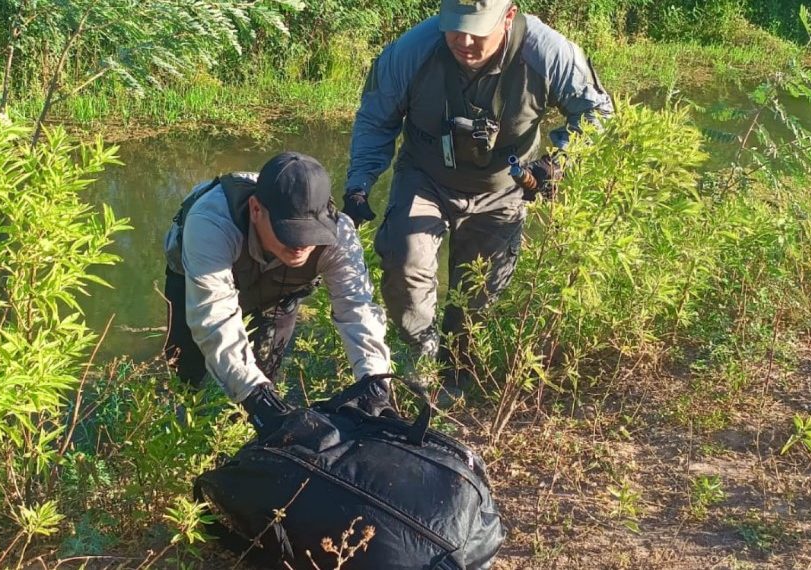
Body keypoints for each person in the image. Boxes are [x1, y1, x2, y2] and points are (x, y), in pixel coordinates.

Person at [340, 0, 615, 392]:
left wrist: (556, 164)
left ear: (508, 16)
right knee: (404, 263)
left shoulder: (547, 51)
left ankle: (459, 371)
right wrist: (359, 183)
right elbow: (375, 119)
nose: (463, 40)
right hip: (425, 176)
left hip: (503, 188)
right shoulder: (412, 51)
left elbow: (597, 113)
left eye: (477, 30)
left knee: (478, 297)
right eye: (453, 27)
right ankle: (423, 354)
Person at [163, 152, 395, 436]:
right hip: (197, 272)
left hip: (281, 288)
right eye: (291, 231)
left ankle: (243, 437)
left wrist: (374, 380)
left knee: (265, 370)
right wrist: (252, 392)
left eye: (313, 232)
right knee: (186, 365)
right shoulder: (211, 223)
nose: (302, 244)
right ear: (256, 209)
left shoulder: (340, 235)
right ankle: (181, 429)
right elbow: (214, 320)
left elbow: (357, 309)